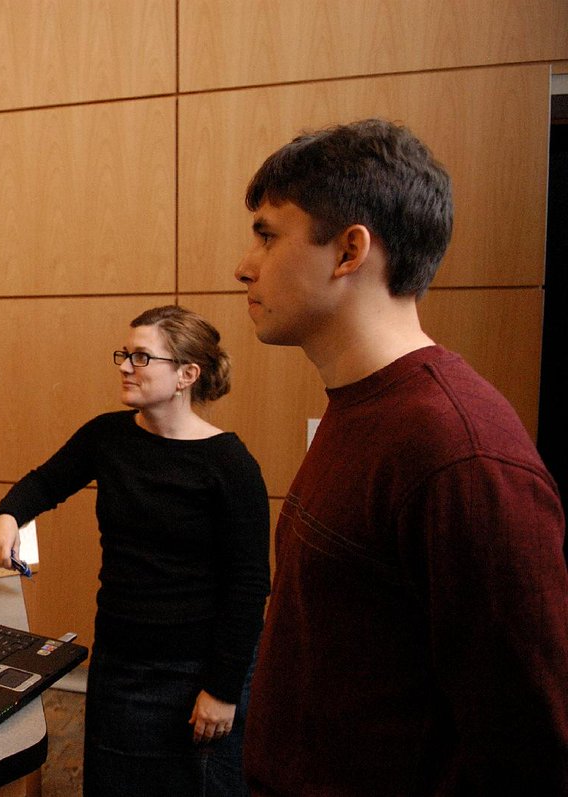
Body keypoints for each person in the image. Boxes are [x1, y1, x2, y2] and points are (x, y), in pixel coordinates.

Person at [234, 119, 568, 794]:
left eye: (268, 234)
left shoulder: (460, 451)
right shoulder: (363, 405)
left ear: (350, 249)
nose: (245, 264)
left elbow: (527, 750)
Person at [0, 305, 270, 796]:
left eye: (141, 357)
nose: (124, 366)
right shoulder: (107, 436)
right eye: (124, 354)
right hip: (120, 659)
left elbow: (248, 587)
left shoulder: (230, 463)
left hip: (198, 668)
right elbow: (45, 482)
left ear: (186, 374)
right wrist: (7, 517)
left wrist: (222, 690)